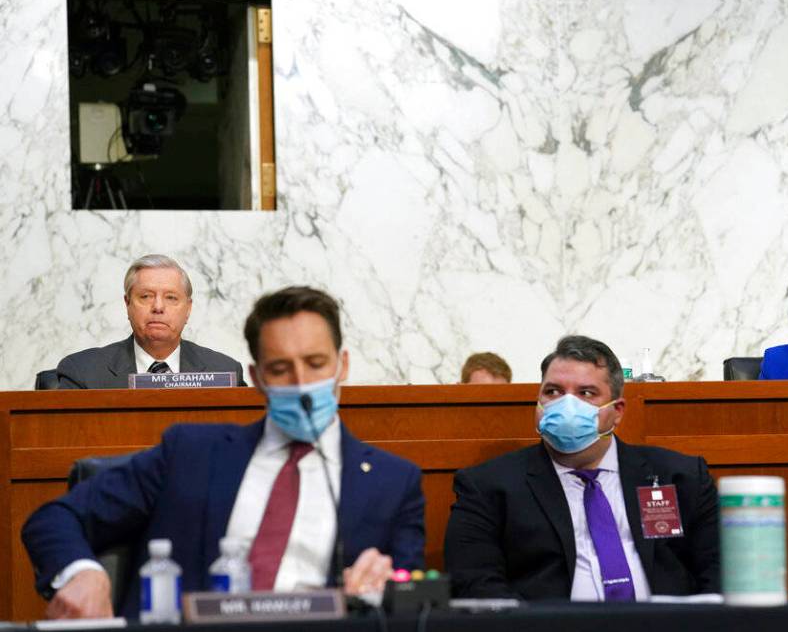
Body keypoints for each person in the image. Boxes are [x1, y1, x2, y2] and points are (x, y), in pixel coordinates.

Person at [23, 286, 425, 619]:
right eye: (281, 368)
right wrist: (84, 574)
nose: (301, 382)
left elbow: (413, 593)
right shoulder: (191, 453)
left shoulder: (394, 482)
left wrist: (385, 587)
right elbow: (57, 518)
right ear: (256, 378)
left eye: (316, 363)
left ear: (343, 366)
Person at [444, 335, 719, 600]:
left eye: (586, 393)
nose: (567, 404)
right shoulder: (487, 487)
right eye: (553, 392)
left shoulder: (681, 476)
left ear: (618, 411)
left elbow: (721, 570)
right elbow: (475, 584)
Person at [55, 254, 245, 388]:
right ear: (127, 304)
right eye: (146, 296)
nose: (158, 307)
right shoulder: (83, 373)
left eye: (171, 297)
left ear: (188, 309)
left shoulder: (225, 372)